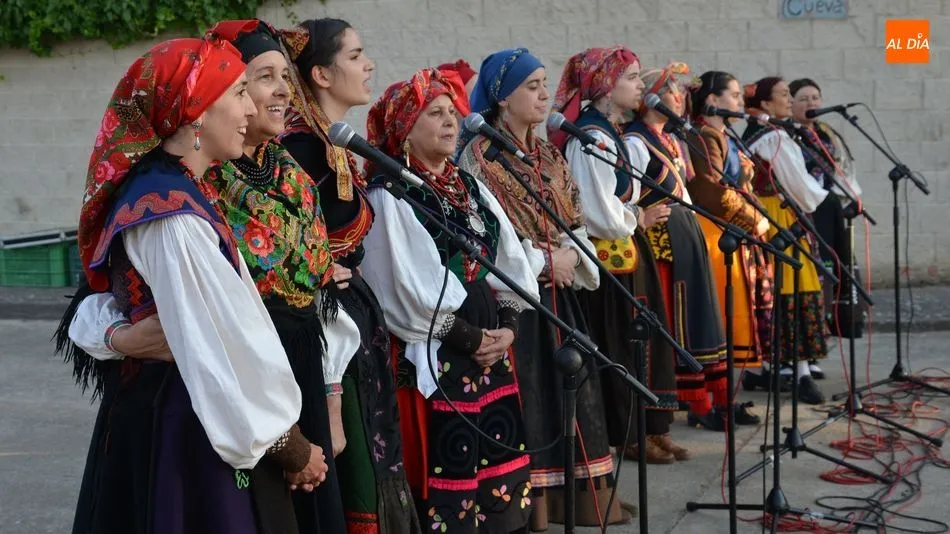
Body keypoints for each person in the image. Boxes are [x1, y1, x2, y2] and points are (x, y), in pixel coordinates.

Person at [65, 19, 366, 533]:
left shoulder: (190, 190)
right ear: (196, 113)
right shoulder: (171, 210)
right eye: (240, 91)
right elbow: (220, 340)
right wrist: (286, 445)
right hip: (205, 413)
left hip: (249, 403)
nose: (252, 108)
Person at [457, 47, 633, 529]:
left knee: (574, 392)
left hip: (562, 290)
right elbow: (485, 235)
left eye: (543, 83)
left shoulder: (548, 153)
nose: (541, 94)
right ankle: (536, 510)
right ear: (500, 96)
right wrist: (542, 262)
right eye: (529, 86)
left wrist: (571, 256)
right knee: (532, 398)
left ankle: (581, 501)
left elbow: (573, 215)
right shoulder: (479, 158)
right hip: (515, 299)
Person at [362, 67, 537, 534]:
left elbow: (511, 264)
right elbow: (400, 293)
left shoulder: (468, 186)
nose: (449, 121)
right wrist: (470, 338)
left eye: (452, 112)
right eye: (434, 113)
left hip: (490, 345)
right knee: (453, 467)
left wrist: (509, 330)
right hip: (440, 352)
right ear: (403, 130)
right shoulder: (390, 195)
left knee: (497, 464)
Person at [278, 18, 421, 533]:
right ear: (319, 73)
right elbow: (303, 270)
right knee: (348, 464)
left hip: (353, 326)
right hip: (325, 340)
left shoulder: (331, 142)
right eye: (356, 55)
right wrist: (332, 391)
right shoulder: (299, 151)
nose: (369, 65)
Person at [551, 47, 689, 464]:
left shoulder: (607, 131)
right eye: (630, 77)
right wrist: (637, 216)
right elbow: (597, 210)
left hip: (626, 253)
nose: (639, 86)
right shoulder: (592, 136)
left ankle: (650, 426)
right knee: (620, 344)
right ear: (607, 88)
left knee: (641, 341)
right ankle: (627, 433)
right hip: (609, 259)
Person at [684, 70, 775, 392]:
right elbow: (712, 191)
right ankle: (714, 396)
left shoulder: (723, 135)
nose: (740, 101)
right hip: (716, 235)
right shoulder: (703, 136)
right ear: (712, 99)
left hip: (735, 232)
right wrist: (757, 220)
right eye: (734, 95)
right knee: (725, 313)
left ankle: (728, 394)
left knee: (738, 310)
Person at [741, 76, 830, 405]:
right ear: (765, 103)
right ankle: (801, 372)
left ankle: (768, 366)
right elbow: (804, 191)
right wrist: (826, 195)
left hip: (762, 217)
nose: (790, 100)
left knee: (770, 291)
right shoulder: (775, 138)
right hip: (781, 217)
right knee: (792, 286)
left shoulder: (753, 132)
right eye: (783, 95)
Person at [790, 77, 866, 353]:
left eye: (815, 97)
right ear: (791, 104)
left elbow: (843, 169)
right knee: (815, 275)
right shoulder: (788, 134)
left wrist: (854, 197)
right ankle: (807, 350)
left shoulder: (825, 132)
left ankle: (822, 343)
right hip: (805, 210)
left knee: (837, 273)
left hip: (831, 208)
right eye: (803, 99)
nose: (811, 103)